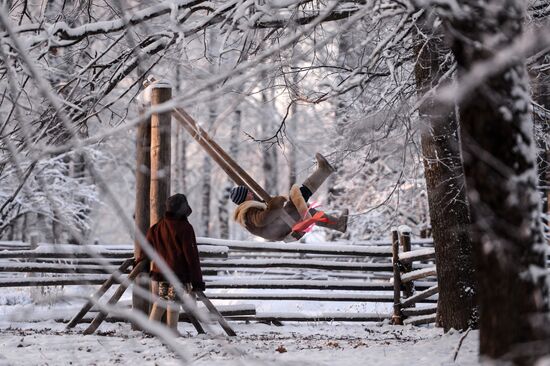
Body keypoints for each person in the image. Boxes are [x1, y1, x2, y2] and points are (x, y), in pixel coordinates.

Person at [230, 153, 348, 241]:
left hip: (282, 227)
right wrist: (275, 204)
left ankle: (338, 224)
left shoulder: (249, 211)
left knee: (307, 209)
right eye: (248, 193)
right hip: (283, 227)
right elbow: (262, 220)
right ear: (244, 198)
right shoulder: (248, 213)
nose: (251, 193)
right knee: (297, 196)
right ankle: (324, 170)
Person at [138, 193, 205, 334]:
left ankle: (150, 329)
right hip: (178, 274)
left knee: (162, 300)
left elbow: (146, 250)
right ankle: (172, 331)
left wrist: (141, 266)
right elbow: (191, 256)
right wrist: (197, 281)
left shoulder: (156, 228)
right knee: (174, 302)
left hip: (161, 273)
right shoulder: (185, 228)